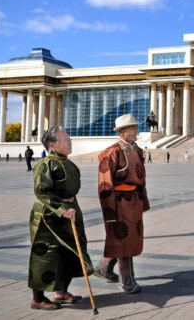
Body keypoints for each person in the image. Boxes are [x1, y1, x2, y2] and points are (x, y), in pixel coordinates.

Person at [28, 126, 92, 310]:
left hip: (69, 213)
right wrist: (61, 208)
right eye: (66, 140)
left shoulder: (70, 164)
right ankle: (38, 298)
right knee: (45, 255)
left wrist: (72, 209)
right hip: (47, 217)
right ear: (52, 145)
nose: (70, 142)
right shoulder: (45, 164)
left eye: (69, 139)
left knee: (71, 252)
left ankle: (61, 291)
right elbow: (42, 190)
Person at [95, 114, 150, 294]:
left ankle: (103, 268)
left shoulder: (137, 150)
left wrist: (143, 201)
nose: (136, 131)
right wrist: (109, 212)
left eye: (135, 127)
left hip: (134, 201)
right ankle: (127, 281)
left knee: (127, 240)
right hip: (119, 203)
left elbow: (142, 179)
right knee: (123, 240)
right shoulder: (111, 153)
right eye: (132, 128)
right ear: (121, 131)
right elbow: (105, 185)